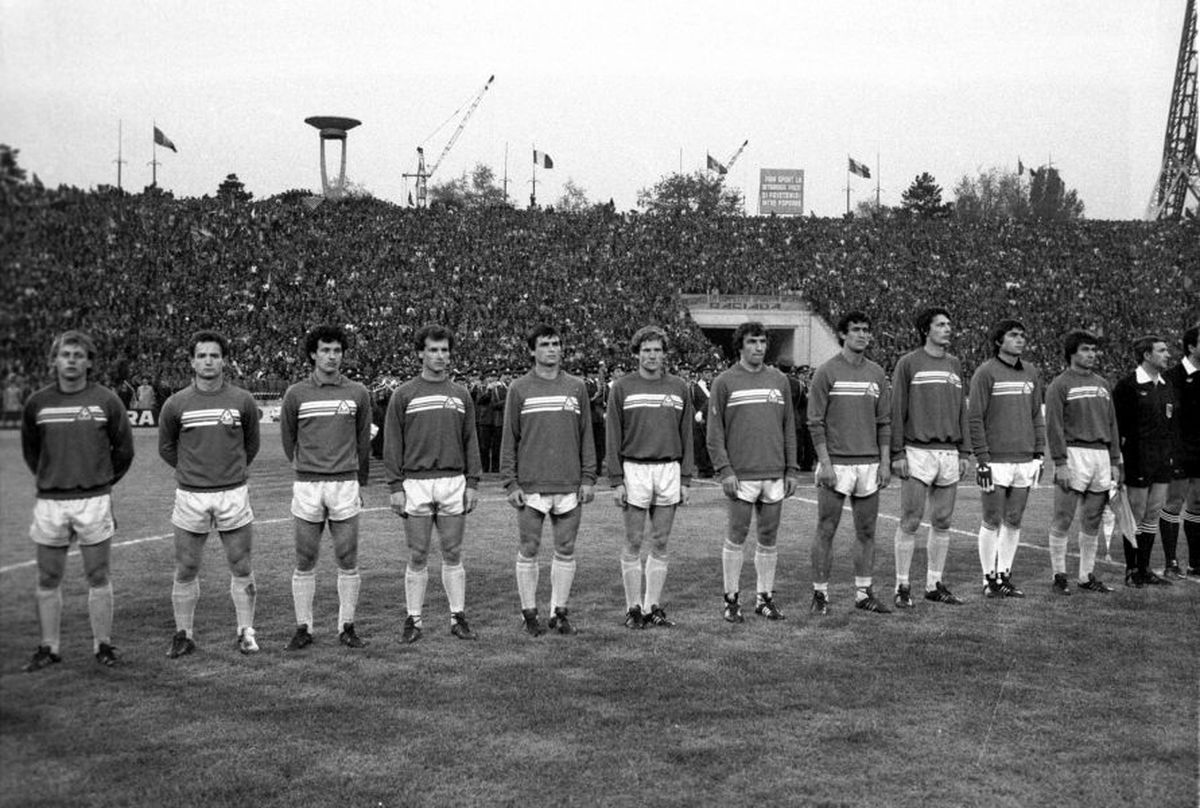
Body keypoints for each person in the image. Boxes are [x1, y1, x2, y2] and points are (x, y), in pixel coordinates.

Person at [20, 330, 134, 670]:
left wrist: (100, 481)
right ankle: (49, 647)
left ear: (89, 362)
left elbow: (124, 451)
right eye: (65, 354)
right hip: (51, 501)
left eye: (77, 355)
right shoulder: (37, 403)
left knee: (98, 575)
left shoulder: (106, 401)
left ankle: (103, 645)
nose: (71, 360)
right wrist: (54, 478)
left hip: (94, 499)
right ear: (54, 360)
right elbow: (32, 452)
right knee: (47, 576)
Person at [159, 330, 263, 657]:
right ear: (192, 361)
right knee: (186, 566)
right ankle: (183, 634)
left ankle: (246, 632)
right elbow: (166, 447)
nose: (208, 361)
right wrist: (193, 470)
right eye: (202, 355)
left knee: (241, 564)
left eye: (214, 355)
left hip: (232, 493)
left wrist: (228, 470)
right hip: (191, 495)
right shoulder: (176, 403)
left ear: (224, 360)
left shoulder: (242, 400)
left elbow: (251, 445)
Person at [384, 325, 483, 643]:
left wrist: (473, 482)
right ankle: (414, 619)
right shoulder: (404, 393)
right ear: (420, 354)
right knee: (417, 553)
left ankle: (458, 617)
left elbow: (471, 440)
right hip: (416, 482)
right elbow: (393, 442)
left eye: (444, 350)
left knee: (453, 551)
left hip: (454, 480)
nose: (440, 356)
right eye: (433, 350)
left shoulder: (461, 393)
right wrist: (395, 486)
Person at [280, 324, 373, 650]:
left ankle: (346, 626)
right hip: (308, 484)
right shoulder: (296, 394)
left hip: (344, 484)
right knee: (305, 557)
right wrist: (310, 465)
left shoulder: (358, 393)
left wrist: (357, 480)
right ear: (313, 354)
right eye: (326, 351)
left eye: (337, 351)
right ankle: (303, 627)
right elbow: (289, 440)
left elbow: (363, 441)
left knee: (347, 557)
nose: (332, 357)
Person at [500, 324, 596, 636]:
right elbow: (509, 438)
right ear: (532, 350)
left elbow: (586, 436)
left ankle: (559, 612)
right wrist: (511, 483)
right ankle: (529, 612)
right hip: (531, 483)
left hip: (569, 482)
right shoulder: (519, 388)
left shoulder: (576, 386)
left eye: (556, 343)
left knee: (566, 547)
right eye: (544, 344)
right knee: (529, 547)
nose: (552, 349)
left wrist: (588, 477)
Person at [707, 321, 798, 623]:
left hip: (774, 471)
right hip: (741, 473)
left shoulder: (779, 380)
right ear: (740, 346)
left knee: (769, 536)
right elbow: (714, 432)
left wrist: (791, 469)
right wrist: (725, 470)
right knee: (737, 534)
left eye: (762, 341)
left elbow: (788, 427)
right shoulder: (724, 381)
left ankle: (764, 598)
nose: (759, 347)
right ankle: (731, 599)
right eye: (752, 342)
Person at [605, 326, 695, 629]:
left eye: (657, 350)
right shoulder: (621, 387)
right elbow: (613, 434)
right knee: (633, 541)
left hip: (669, 468)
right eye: (646, 350)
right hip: (635, 468)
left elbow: (687, 434)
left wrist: (686, 478)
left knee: (660, 540)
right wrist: (616, 479)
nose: (652, 355)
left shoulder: (680, 387)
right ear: (636, 354)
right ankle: (632, 608)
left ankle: (652, 606)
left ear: (664, 353)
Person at [808, 312, 892, 614]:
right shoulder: (826, 372)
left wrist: (884, 463)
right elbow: (815, 422)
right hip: (837, 463)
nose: (862, 335)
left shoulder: (877, 373)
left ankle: (862, 593)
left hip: (869, 463)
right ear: (843, 335)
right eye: (856, 330)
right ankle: (820, 593)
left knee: (867, 531)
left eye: (866, 330)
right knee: (826, 528)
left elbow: (884, 422)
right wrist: (825, 463)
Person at [889, 307, 969, 608]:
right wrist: (897, 452)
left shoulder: (955, 364)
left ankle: (934, 584)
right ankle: (902, 585)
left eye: (949, 324)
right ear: (927, 330)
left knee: (943, 520)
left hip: (948, 451)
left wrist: (964, 451)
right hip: (917, 450)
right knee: (910, 520)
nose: (948, 329)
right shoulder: (908, 363)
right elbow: (897, 409)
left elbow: (962, 408)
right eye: (941, 325)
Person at [968, 319, 1046, 598]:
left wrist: (1039, 453)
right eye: (1013, 335)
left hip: (1025, 458)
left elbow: (1037, 414)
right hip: (996, 460)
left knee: (1014, 518)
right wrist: (982, 458)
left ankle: (1005, 576)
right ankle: (988, 579)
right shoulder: (985, 373)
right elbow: (975, 417)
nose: (1020, 340)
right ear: (999, 341)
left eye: (1023, 335)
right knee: (992, 518)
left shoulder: (1031, 372)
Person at [1042, 330, 1121, 595]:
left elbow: (1112, 424)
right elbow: (1053, 426)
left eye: (1093, 350)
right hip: (1074, 454)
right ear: (1072, 353)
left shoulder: (1102, 384)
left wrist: (1114, 460)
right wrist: (1060, 462)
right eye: (1086, 350)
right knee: (1063, 517)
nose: (1091, 354)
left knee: (1092, 519)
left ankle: (1086, 576)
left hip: (1100, 454)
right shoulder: (1059, 385)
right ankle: (1059, 575)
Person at [1113, 334, 1177, 587]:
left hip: (1162, 459)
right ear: (1147, 355)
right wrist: (1118, 462)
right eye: (1161, 350)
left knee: (1152, 513)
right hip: (1137, 459)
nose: (1168, 354)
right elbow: (1117, 428)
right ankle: (1131, 570)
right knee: (1136, 514)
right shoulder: (1127, 386)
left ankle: (1145, 568)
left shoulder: (1165, 385)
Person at [1159, 324, 1199, 577]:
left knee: (1198, 504)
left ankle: (1196, 562)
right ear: (1192, 347)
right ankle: (1171, 562)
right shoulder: (1173, 377)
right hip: (1179, 450)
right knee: (1174, 502)